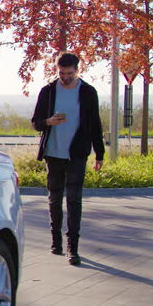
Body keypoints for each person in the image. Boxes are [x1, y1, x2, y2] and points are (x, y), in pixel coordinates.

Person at [31, 52, 104, 265]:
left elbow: (95, 125)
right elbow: (36, 122)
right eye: (61, 73)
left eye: (69, 73)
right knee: (54, 199)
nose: (65, 77)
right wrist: (49, 122)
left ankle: (73, 247)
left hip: (77, 154)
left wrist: (99, 154)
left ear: (77, 70)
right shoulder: (48, 91)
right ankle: (56, 242)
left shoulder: (88, 92)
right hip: (53, 154)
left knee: (74, 199)